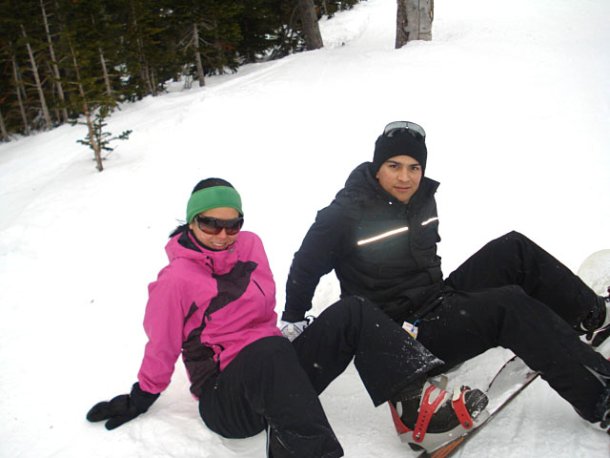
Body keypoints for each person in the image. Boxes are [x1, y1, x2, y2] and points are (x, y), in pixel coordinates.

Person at [85, 178, 489, 457]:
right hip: (226, 398)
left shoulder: (250, 247)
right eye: (210, 223)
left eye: (232, 224)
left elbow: (262, 320)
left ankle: (418, 409)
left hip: (278, 376)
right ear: (191, 222)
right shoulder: (176, 280)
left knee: (353, 311)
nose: (223, 234)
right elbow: (162, 344)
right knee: (268, 351)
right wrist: (141, 396)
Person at [280, 121, 610, 441]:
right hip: (402, 335)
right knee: (508, 305)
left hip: (437, 298)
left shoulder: (422, 197)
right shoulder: (344, 213)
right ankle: (599, 401)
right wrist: (294, 321)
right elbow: (305, 267)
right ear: (377, 166)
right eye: (394, 166)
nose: (405, 177)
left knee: (514, 248)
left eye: (414, 167)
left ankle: (592, 316)